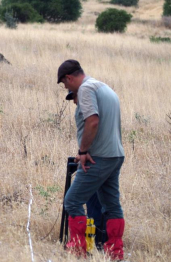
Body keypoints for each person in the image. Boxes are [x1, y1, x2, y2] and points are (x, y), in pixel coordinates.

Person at [58, 60, 125, 260]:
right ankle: (114, 253)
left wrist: (83, 150)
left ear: (69, 78)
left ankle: (77, 251)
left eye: (64, 84)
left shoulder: (86, 89)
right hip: (115, 155)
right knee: (111, 205)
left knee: (72, 201)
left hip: (99, 158)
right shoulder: (103, 87)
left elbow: (93, 121)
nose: (67, 89)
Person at [66, 91, 108, 250]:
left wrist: (84, 153)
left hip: (96, 163)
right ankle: (97, 240)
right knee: (99, 202)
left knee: (89, 202)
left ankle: (92, 242)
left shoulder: (93, 115)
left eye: (75, 98)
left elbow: (95, 137)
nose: (74, 102)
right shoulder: (95, 112)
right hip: (100, 161)